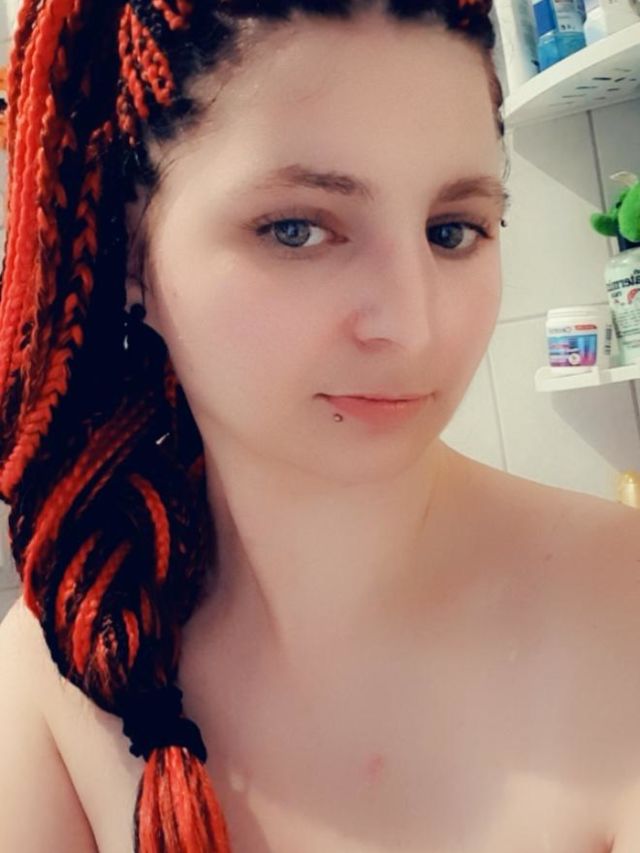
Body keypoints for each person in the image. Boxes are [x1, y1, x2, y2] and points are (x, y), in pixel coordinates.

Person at [1, 0, 640, 850]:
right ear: (130, 252)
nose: (412, 325)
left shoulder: (624, 610)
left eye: (452, 230)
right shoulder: (60, 679)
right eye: (297, 230)